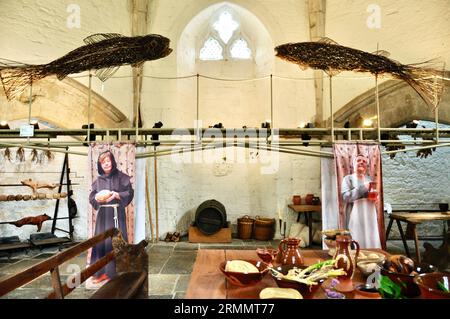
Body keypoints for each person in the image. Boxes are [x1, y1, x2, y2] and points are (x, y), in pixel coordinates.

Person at [89, 150, 134, 284]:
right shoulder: (98, 181)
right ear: (100, 165)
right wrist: (97, 198)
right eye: (103, 162)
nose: (106, 164)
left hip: (116, 214)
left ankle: (118, 272)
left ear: (112, 161)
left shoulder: (122, 177)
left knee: (116, 242)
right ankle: (101, 273)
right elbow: (92, 197)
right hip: (103, 216)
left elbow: (129, 192)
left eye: (108, 161)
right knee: (102, 242)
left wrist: (117, 195)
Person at [341, 154, 381, 248]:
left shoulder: (369, 179)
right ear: (353, 164)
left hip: (369, 215)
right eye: (359, 160)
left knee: (370, 237)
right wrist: (363, 187)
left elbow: (372, 195)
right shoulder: (348, 179)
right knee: (356, 238)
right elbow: (346, 197)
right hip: (355, 215)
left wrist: (376, 198)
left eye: (364, 161)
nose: (362, 162)